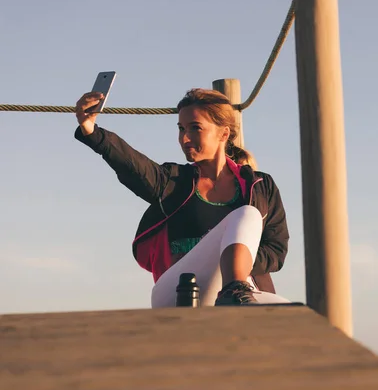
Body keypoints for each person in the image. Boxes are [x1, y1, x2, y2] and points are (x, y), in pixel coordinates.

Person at [74, 88, 290, 307]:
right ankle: (233, 291)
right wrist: (90, 129)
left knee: (290, 316)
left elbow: (276, 250)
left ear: (224, 134)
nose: (184, 138)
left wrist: (230, 257)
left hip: (248, 291)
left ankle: (234, 290)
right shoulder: (174, 182)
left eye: (195, 128)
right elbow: (132, 165)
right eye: (181, 129)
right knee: (246, 214)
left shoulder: (260, 186)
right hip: (180, 290)